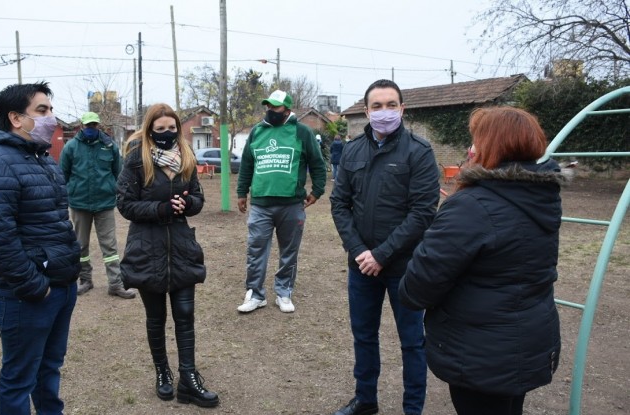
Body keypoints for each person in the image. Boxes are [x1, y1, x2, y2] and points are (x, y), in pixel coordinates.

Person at [398, 106, 565, 415]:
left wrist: (456, 215)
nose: (469, 149)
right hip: (525, 342)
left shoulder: (472, 207)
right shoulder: (540, 195)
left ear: (493, 147)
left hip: (482, 354)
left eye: (476, 140)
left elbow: (417, 287)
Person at [0, 82, 81, 414]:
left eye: (51, 110)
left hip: (60, 284)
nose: (51, 117)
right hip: (28, 295)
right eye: (42, 111)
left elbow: (55, 222)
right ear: (16, 118)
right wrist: (33, 286)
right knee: (19, 378)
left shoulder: (42, 159)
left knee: (49, 369)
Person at [329, 79, 440, 415]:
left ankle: (413, 409)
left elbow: (422, 212)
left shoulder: (419, 153)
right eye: (377, 106)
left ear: (402, 109)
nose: (385, 112)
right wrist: (360, 250)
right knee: (364, 337)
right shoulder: (352, 150)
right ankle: (365, 400)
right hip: (361, 266)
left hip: (405, 268)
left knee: (412, 342)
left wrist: (382, 254)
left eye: (391, 105)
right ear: (366, 112)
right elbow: (339, 204)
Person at [117, 103, 219, 408]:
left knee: (185, 315)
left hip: (181, 247)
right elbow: (124, 204)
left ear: (178, 128)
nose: (166, 134)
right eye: (159, 130)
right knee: (156, 318)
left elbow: (198, 197)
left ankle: (188, 377)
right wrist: (160, 208)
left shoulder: (186, 157)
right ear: (150, 130)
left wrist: (187, 205)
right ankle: (162, 373)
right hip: (147, 249)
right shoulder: (136, 160)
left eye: (171, 128)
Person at [236, 90, 327, 314]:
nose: (270, 110)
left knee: (289, 251)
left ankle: (284, 291)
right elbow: (247, 164)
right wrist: (241, 192)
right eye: (268, 106)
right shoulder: (257, 132)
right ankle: (255, 294)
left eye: (275, 107)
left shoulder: (302, 132)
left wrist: (317, 191)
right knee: (255, 249)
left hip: (292, 205)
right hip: (260, 205)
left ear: (286, 109)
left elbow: (317, 163)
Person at [59, 111, 135, 299]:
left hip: (105, 203)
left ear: (98, 126)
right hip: (79, 204)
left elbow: (119, 172)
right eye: (88, 126)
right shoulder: (71, 147)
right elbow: (63, 175)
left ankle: (115, 284)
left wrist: (119, 194)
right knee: (80, 245)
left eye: (94, 125)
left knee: (109, 246)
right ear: (81, 127)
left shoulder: (109, 145)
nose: (91, 129)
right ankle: (85, 280)